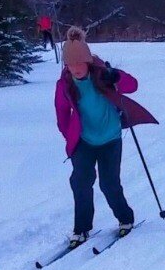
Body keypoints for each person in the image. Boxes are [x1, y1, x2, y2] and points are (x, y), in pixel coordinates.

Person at [54, 26, 158, 249]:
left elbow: (133, 85)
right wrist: (69, 135)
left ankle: (125, 218)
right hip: (84, 141)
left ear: (88, 61)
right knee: (80, 182)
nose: (75, 68)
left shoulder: (102, 75)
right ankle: (81, 229)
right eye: (70, 64)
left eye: (79, 63)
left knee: (109, 184)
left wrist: (117, 76)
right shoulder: (64, 85)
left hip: (110, 138)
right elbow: (61, 113)